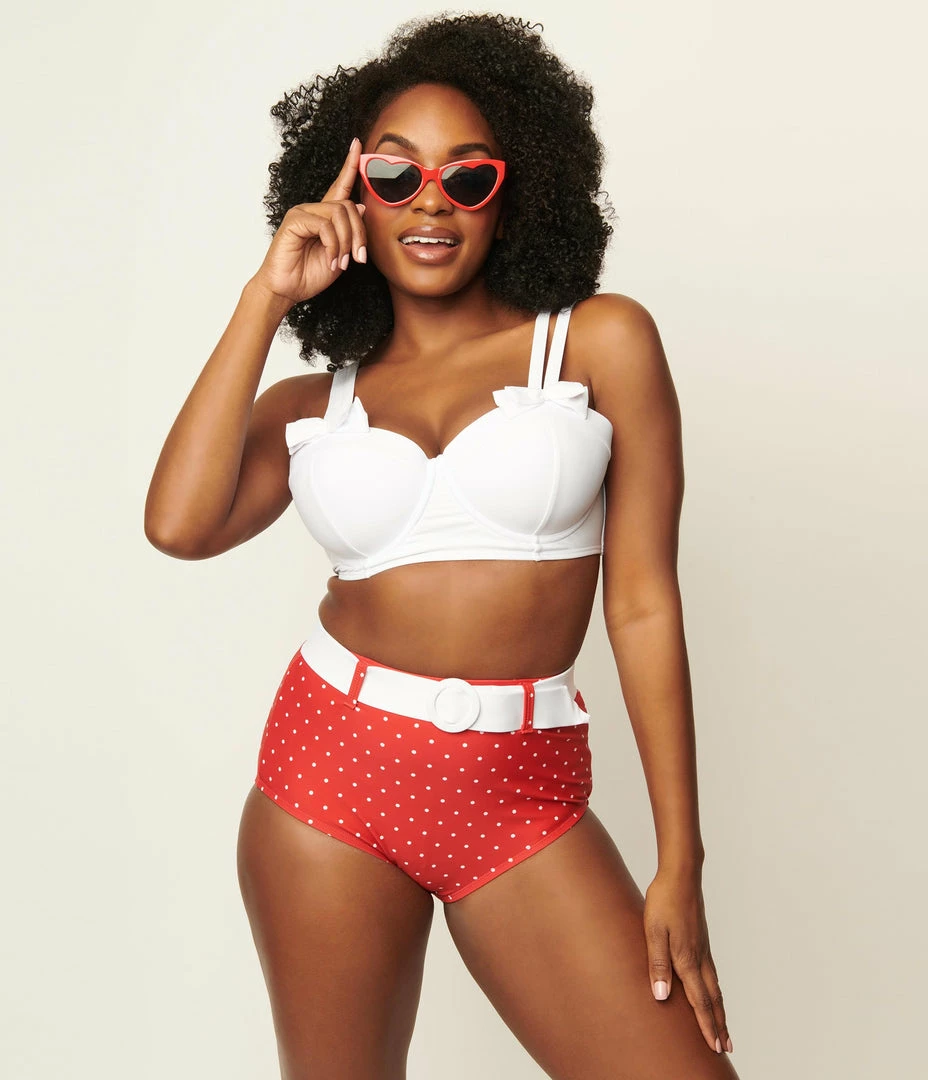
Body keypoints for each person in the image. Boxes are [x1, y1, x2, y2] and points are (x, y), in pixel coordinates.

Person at [144, 13, 741, 1080]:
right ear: (352, 194)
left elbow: (644, 603)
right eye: (394, 173)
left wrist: (679, 860)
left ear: (514, 196)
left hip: (521, 796)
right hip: (328, 781)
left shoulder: (599, 340)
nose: (431, 201)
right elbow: (178, 525)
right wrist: (264, 296)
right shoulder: (311, 404)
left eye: (468, 177)